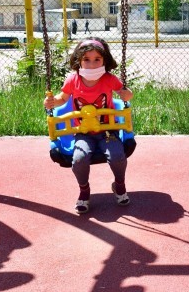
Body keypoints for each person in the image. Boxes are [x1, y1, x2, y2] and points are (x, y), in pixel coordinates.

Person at [44, 37, 134, 214]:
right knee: (78, 159)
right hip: (82, 132)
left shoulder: (109, 79)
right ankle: (84, 190)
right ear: (79, 60)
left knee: (117, 155)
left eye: (97, 60)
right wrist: (52, 102)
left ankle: (119, 185)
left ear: (104, 61)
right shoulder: (73, 80)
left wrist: (127, 95)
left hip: (108, 131)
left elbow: (125, 94)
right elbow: (63, 98)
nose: (92, 65)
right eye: (86, 59)